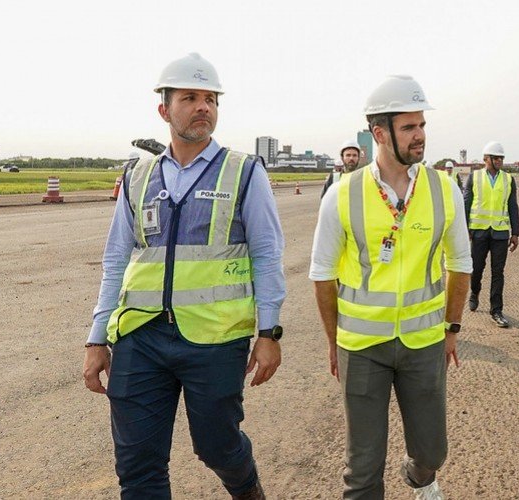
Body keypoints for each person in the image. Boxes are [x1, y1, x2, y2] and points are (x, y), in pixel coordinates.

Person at [81, 52, 286, 500]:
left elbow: (268, 253)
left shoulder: (244, 171)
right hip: (140, 334)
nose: (203, 107)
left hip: (215, 338)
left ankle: (247, 488)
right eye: (190, 97)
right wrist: (97, 338)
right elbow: (116, 257)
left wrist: (269, 331)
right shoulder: (138, 175)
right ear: (164, 109)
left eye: (210, 99)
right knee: (137, 465)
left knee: (217, 446)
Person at [309, 75, 472, 500]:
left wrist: (452, 329)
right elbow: (322, 274)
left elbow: (461, 264)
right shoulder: (341, 196)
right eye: (408, 127)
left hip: (422, 343)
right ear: (379, 134)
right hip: (362, 346)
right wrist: (334, 342)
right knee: (362, 470)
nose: (420, 136)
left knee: (433, 450)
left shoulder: (445, 189)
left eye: (421, 125)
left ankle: (420, 477)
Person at [463, 141, 519, 328]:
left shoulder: (508, 179)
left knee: (498, 272)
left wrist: (515, 233)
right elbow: (466, 203)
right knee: (477, 268)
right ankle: (474, 292)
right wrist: (465, 229)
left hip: (500, 233)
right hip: (479, 232)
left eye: (501, 158)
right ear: (486, 159)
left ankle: (496, 310)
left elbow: (513, 206)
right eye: (496, 158)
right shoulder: (474, 177)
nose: (499, 161)